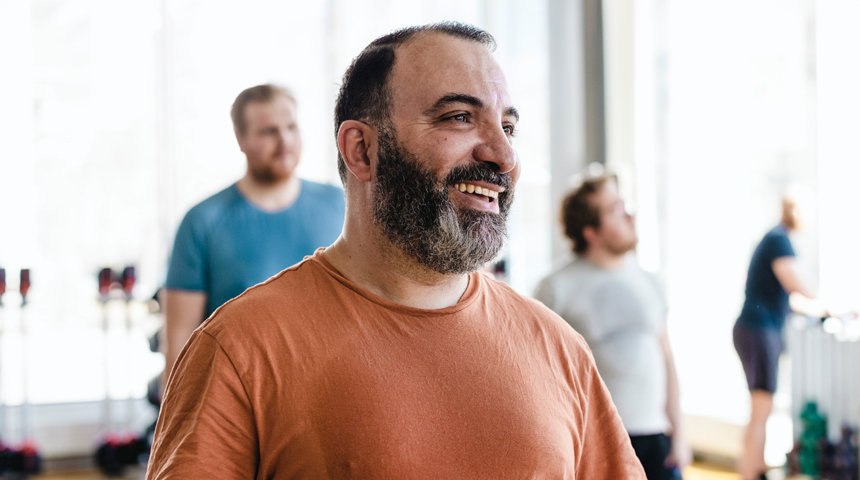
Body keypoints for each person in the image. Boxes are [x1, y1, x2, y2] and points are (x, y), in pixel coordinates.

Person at [147, 22, 645, 479]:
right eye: (459, 117)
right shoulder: (239, 349)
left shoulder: (559, 349)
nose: (504, 155)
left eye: (508, 127)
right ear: (361, 150)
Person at [160, 84, 345, 397]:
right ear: (241, 140)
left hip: (333, 391)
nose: (284, 141)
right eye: (268, 131)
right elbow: (179, 344)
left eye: (291, 127)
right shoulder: (202, 222)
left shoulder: (343, 206)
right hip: (240, 398)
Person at [534, 174, 691, 480]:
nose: (629, 215)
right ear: (591, 232)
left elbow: (667, 360)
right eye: (616, 210)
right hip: (595, 442)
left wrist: (680, 435)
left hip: (656, 438)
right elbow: (542, 379)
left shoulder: (650, 281)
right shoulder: (555, 289)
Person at [733, 189, 829, 480]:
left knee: (759, 407)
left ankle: (752, 468)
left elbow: (791, 298)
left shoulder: (776, 238)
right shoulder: (778, 240)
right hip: (757, 330)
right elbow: (800, 286)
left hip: (755, 328)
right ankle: (751, 471)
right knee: (762, 407)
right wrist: (828, 303)